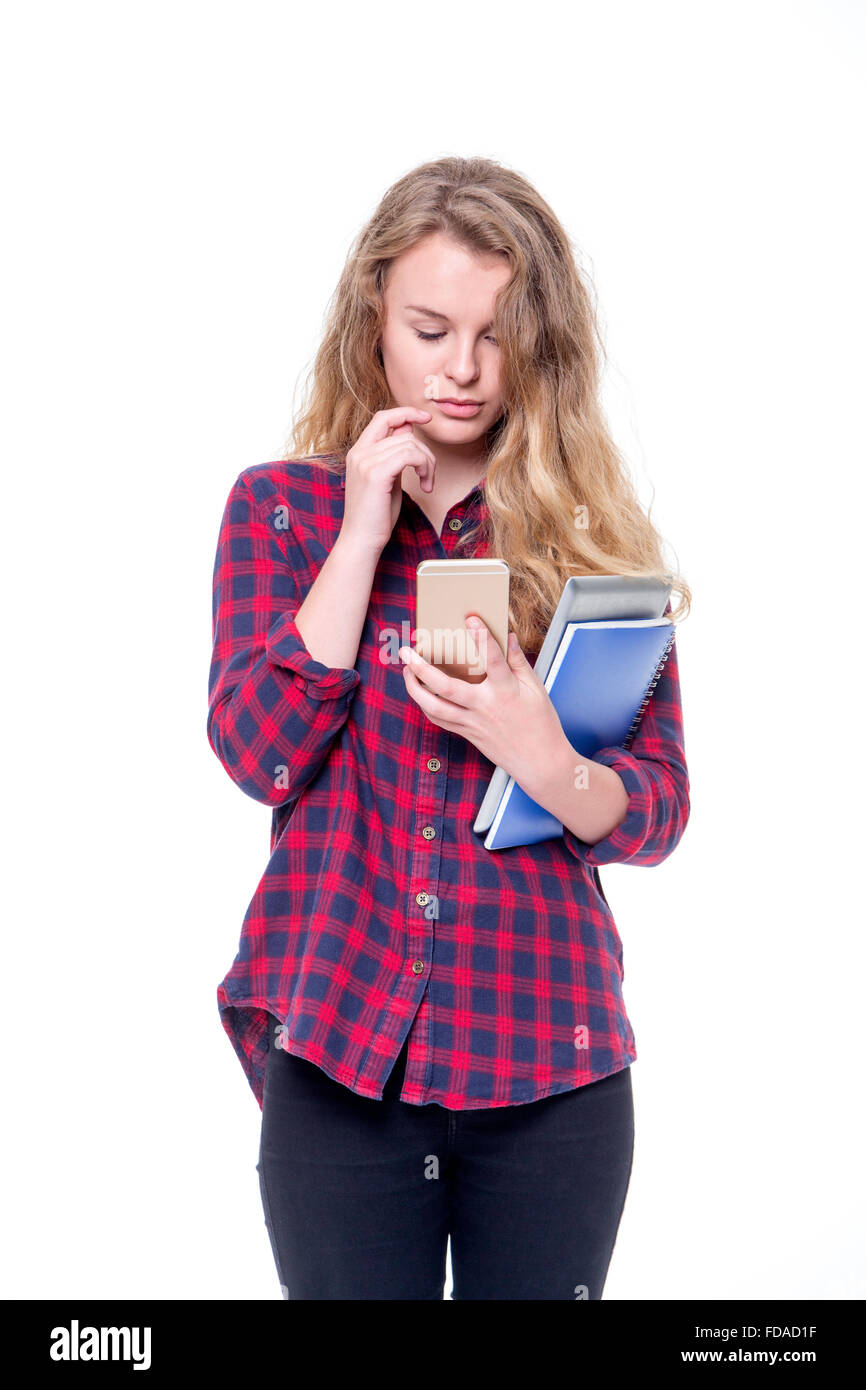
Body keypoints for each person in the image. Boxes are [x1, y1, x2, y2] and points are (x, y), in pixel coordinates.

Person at [206, 155, 691, 1300]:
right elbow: (255, 746)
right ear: (372, 313)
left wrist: (546, 758)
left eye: (495, 333)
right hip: (340, 1050)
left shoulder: (588, 534)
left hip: (549, 1058)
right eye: (430, 328)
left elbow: (660, 807)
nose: (463, 369)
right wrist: (361, 532)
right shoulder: (279, 510)